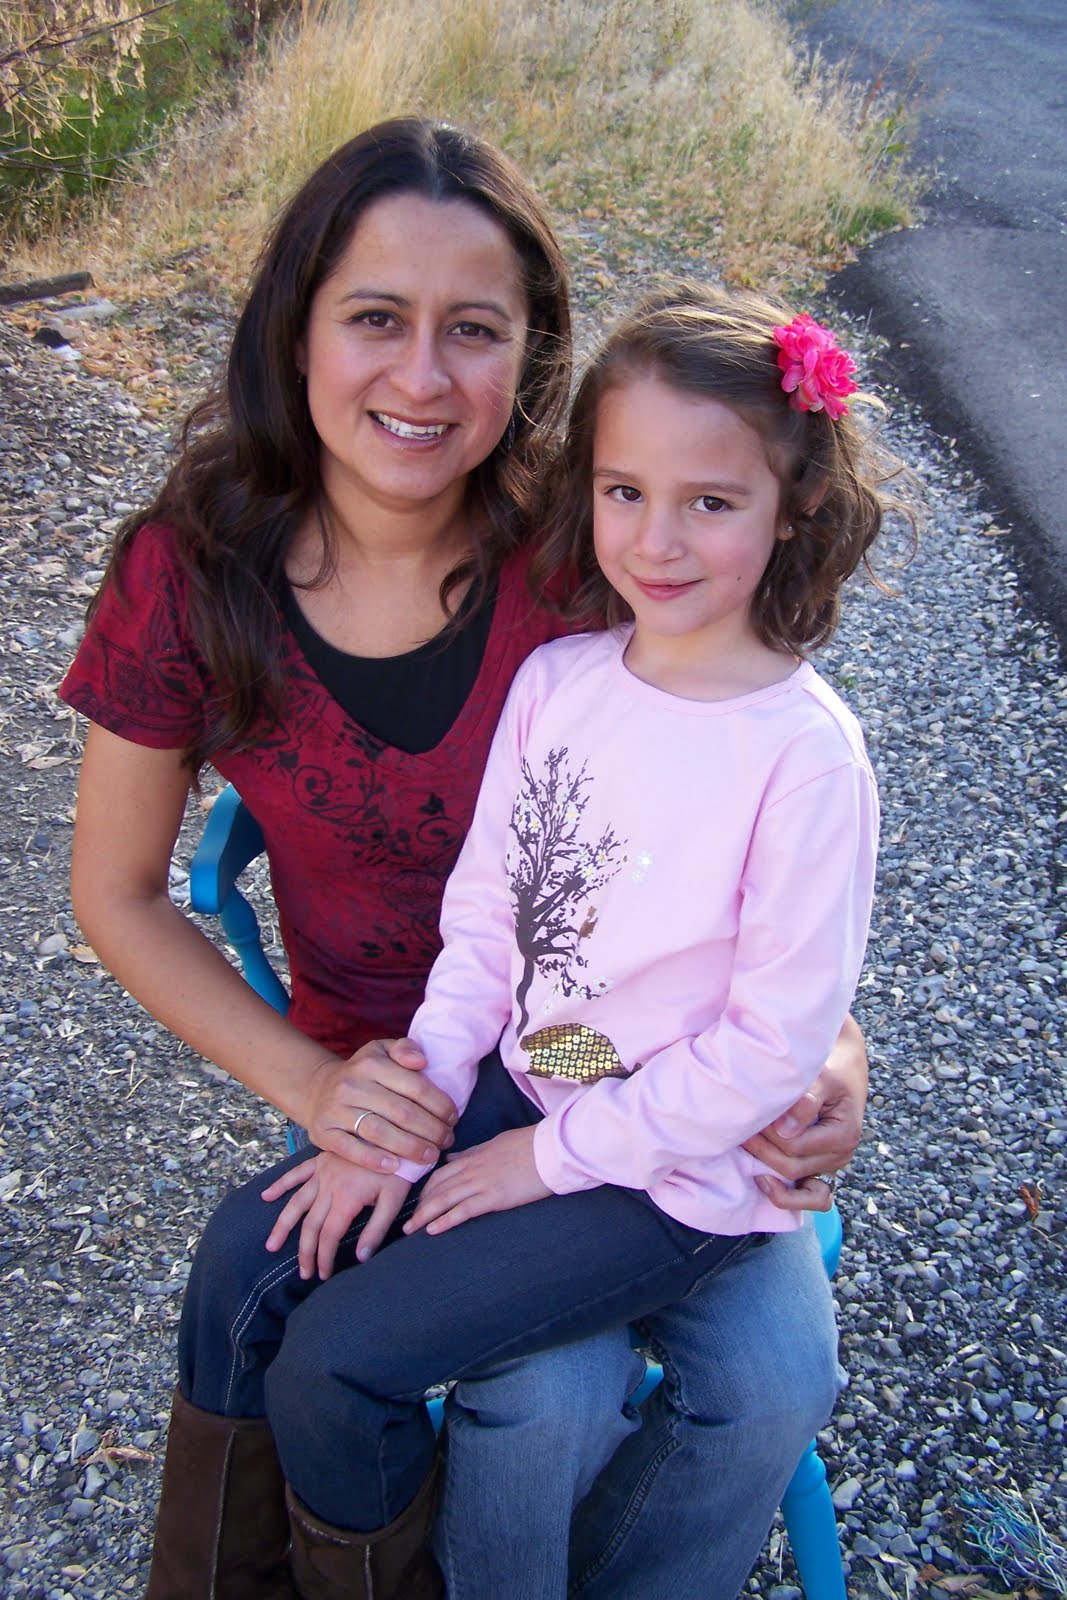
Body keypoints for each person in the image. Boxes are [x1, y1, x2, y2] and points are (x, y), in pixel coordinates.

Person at [59, 118, 868, 1600]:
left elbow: (742, 820)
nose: (422, 378)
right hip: (412, 1071)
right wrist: (314, 1087)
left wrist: (832, 1051)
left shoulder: (590, 544)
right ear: (296, 326)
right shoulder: (197, 569)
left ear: (532, 354)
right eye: (376, 317)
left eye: (474, 331)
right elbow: (115, 891)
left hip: (664, 1092)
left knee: (763, 1381)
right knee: (341, 1323)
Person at [247, 281, 889, 1595]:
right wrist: (425, 1093)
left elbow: (769, 1046)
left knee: (776, 1383)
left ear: (793, 506)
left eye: (712, 502)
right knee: (492, 1379)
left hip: (693, 1170)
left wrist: (547, 1159)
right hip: (547, 1097)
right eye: (624, 491)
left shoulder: (805, 758)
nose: (658, 539)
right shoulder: (561, 684)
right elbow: (488, 919)